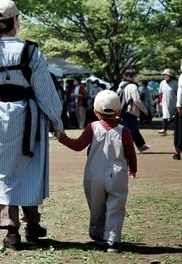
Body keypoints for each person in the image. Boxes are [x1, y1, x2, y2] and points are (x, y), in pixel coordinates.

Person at [0, 0, 63, 250]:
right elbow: (45, 91)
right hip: (26, 116)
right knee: (29, 170)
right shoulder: (31, 51)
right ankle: (32, 225)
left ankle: (11, 233)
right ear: (14, 21)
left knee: (0, 173)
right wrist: (56, 121)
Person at [57, 90, 137, 253]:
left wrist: (62, 137)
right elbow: (131, 153)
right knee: (116, 207)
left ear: (95, 111)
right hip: (117, 175)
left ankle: (98, 234)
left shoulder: (92, 127)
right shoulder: (124, 130)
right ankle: (113, 241)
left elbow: (78, 145)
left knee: (97, 206)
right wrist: (133, 169)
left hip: (94, 175)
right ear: (118, 111)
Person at [117, 70, 151, 152]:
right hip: (131, 110)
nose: (137, 77)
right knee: (131, 129)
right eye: (136, 76)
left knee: (131, 129)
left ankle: (141, 145)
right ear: (131, 77)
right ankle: (130, 147)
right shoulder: (133, 86)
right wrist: (145, 110)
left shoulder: (121, 86)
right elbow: (137, 101)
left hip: (122, 111)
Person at [158, 69, 178, 135]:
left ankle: (176, 130)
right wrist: (160, 101)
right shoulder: (162, 83)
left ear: (170, 75)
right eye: (164, 75)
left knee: (174, 117)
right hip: (164, 102)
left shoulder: (175, 83)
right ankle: (164, 129)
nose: (165, 76)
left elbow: (178, 93)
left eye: (166, 75)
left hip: (174, 102)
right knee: (165, 116)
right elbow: (160, 93)